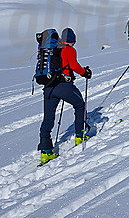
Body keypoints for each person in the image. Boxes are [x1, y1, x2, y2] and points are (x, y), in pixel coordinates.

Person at [39, 27, 92, 164]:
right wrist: (85, 72)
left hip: (49, 87)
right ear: (73, 40)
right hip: (64, 86)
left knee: (48, 118)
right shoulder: (70, 50)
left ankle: (45, 152)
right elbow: (73, 65)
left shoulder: (52, 49)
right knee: (80, 105)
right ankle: (80, 135)